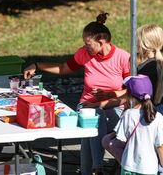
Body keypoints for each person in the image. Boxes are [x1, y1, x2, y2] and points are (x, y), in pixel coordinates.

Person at [23, 12, 131, 175]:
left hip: (114, 106)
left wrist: (109, 95)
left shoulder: (123, 57)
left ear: (101, 42)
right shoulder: (84, 54)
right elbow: (62, 68)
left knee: (93, 125)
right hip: (87, 104)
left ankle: (93, 170)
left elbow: (131, 89)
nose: (85, 47)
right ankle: (96, 168)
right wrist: (37, 65)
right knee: (94, 118)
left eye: (88, 44)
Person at [103, 75, 163, 175]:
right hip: (149, 168)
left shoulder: (128, 115)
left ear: (129, 95)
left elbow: (121, 141)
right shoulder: (158, 117)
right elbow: (161, 145)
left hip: (128, 166)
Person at [136, 24, 163, 121]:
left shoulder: (147, 68)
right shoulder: (162, 60)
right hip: (162, 107)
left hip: (148, 111)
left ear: (145, 44)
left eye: (138, 40)